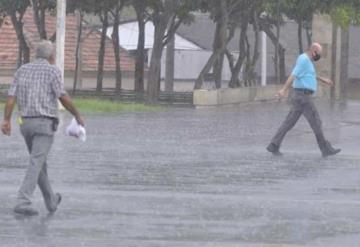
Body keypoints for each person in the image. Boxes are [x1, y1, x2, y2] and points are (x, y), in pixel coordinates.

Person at [1, 40, 85, 216]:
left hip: (25, 124)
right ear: (52, 55)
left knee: (39, 162)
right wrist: (77, 114)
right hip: (45, 124)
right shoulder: (53, 70)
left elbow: (11, 98)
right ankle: (23, 201)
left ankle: (51, 200)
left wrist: (6, 120)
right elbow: (62, 96)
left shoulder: (22, 70)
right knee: (36, 162)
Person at [266, 42, 341, 157]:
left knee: (288, 123)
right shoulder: (304, 60)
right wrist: (284, 90)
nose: (319, 56)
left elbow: (308, 75)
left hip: (300, 96)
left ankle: (274, 145)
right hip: (303, 97)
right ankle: (325, 149)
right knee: (316, 122)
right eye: (319, 54)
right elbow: (293, 75)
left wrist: (322, 79)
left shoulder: (307, 61)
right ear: (314, 51)